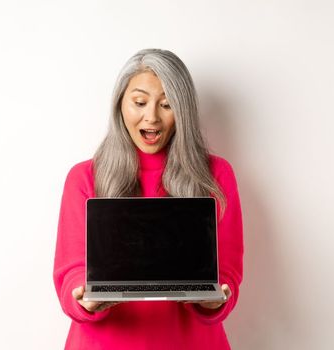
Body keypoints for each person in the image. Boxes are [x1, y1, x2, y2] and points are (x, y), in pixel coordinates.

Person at [52, 48, 244, 349]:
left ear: (184, 112)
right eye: (139, 102)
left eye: (167, 105)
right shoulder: (85, 177)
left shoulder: (215, 174)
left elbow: (227, 273)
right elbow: (71, 271)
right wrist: (83, 298)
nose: (151, 117)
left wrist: (213, 300)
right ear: (120, 105)